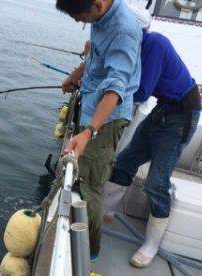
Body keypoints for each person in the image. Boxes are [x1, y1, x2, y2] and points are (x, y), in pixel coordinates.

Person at [105, 30, 202, 268]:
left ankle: (151, 245)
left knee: (156, 182)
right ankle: (105, 212)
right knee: (125, 161)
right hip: (162, 111)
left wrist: (105, 96)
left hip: (182, 116)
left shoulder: (155, 44)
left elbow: (141, 91)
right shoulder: (134, 49)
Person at [56, 0, 142, 261]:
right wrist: (76, 75)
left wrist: (89, 131)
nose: (77, 21)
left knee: (91, 187)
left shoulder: (124, 29)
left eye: (79, 16)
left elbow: (116, 87)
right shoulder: (100, 16)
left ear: (96, 5)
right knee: (84, 178)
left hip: (107, 118)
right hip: (93, 105)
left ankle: (89, 250)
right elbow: (95, 52)